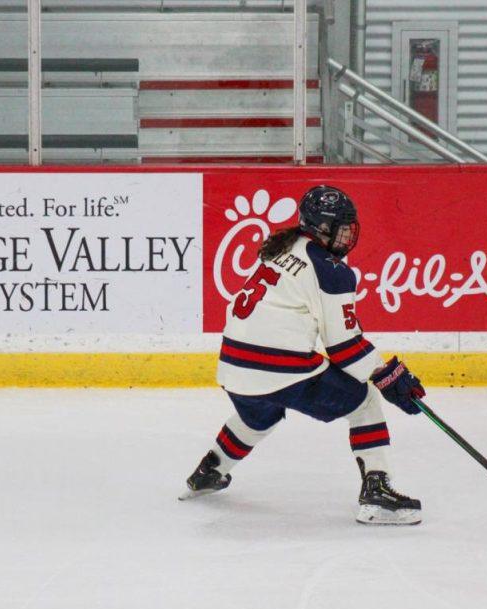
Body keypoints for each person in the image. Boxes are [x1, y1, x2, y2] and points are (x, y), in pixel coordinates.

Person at [181, 185, 426, 524]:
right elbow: (344, 347)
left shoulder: (279, 248)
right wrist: (388, 376)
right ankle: (378, 493)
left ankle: (210, 469)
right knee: (365, 399)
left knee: (259, 414)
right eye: (341, 228)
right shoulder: (329, 269)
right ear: (322, 228)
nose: (346, 236)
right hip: (278, 369)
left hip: (231, 367)